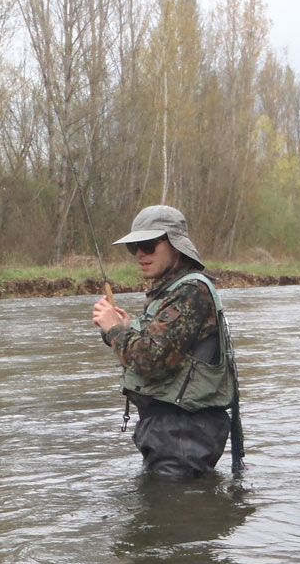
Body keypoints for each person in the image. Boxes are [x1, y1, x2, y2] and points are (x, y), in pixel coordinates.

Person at [91, 205, 243, 479]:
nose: (140, 254)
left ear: (175, 246)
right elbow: (164, 345)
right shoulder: (176, 291)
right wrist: (126, 327)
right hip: (173, 433)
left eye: (148, 245)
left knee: (175, 517)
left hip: (183, 434)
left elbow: (151, 361)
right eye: (135, 247)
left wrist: (115, 329)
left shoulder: (189, 292)